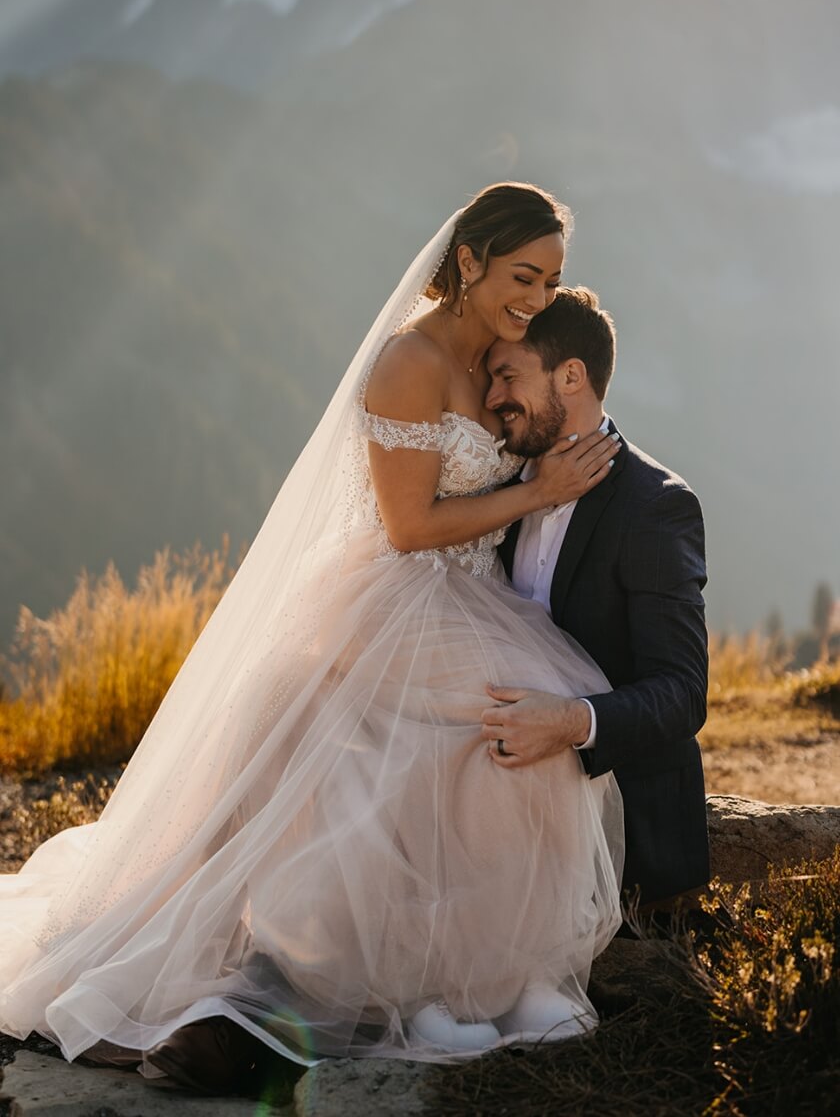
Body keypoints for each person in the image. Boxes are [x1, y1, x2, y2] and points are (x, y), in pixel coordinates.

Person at [0, 184, 624, 1094]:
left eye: (553, 279)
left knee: (492, 748)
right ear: (472, 259)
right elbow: (408, 527)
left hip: (475, 599)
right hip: (401, 594)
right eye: (523, 274)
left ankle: (476, 979)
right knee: (463, 730)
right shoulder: (408, 360)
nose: (536, 296)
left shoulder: (506, 349)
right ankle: (404, 988)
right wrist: (539, 494)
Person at [481, 288, 710, 912]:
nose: (493, 397)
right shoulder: (495, 487)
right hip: (494, 825)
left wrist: (568, 722)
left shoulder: (656, 506)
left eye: (508, 376)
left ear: (572, 376)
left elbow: (683, 693)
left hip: (623, 839)